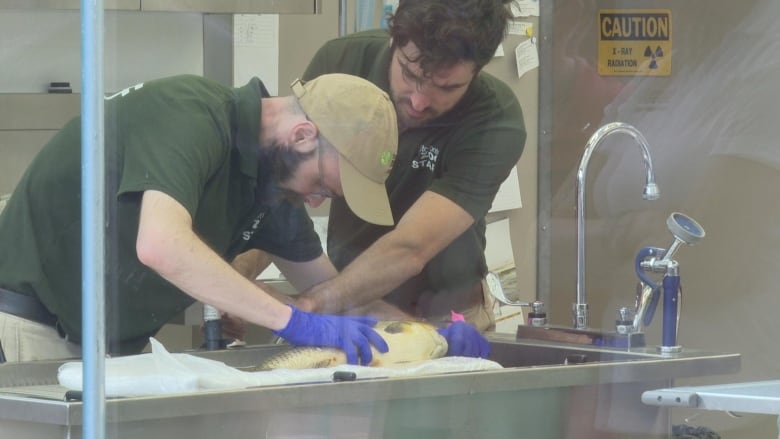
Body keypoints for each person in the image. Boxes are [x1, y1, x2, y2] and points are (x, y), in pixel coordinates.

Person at [0, 72, 398, 364]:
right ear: (302, 136)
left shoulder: (274, 185)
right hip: (32, 331)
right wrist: (292, 321)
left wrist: (429, 336)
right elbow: (161, 245)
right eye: (323, 186)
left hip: (111, 352)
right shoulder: (189, 112)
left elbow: (334, 292)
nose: (315, 202)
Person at [287, 0, 526, 358]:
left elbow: (411, 247)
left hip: (447, 322)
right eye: (409, 75)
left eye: (445, 88)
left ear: (477, 71)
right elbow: (281, 191)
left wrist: (309, 306)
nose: (417, 101)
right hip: (347, 309)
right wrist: (237, 290)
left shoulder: (495, 118)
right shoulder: (341, 67)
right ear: (393, 41)